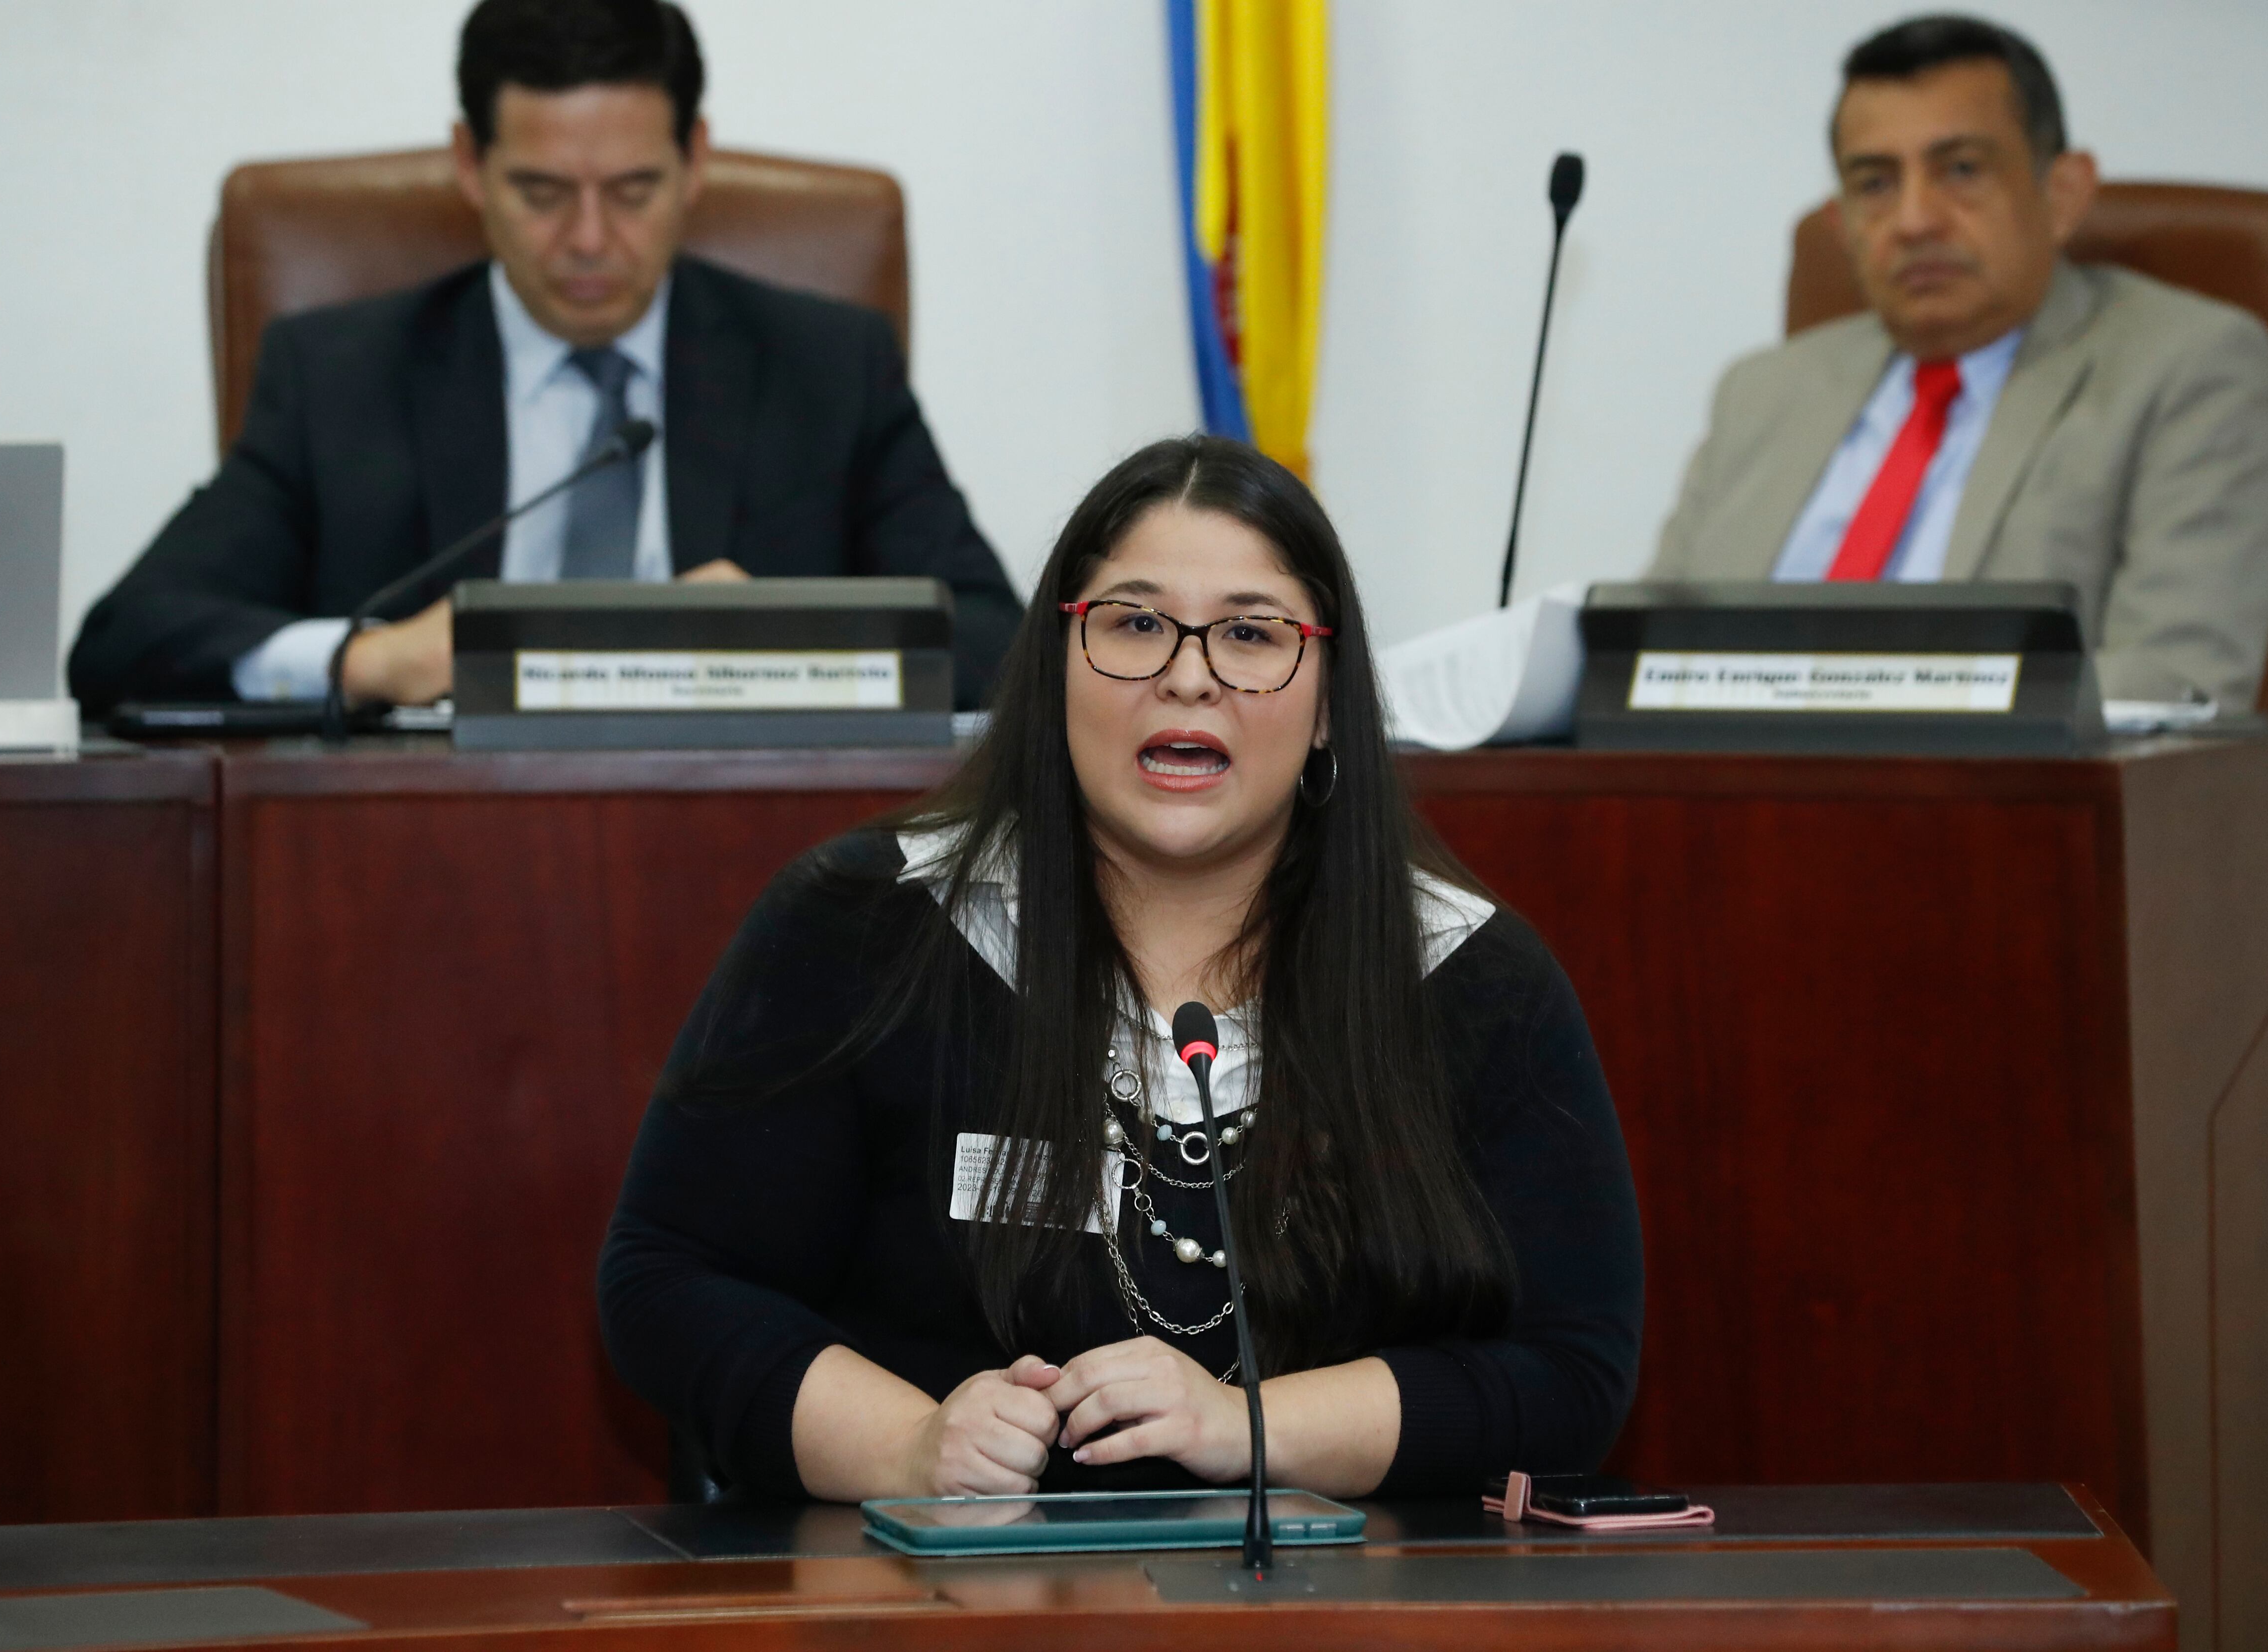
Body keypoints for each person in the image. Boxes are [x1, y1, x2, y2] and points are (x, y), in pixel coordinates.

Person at [598, 436, 1642, 1500]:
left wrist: (1246, 1427)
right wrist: (913, 1448)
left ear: (1329, 699)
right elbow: (670, 1282)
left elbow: (1570, 1370)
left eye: (1250, 633)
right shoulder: (869, 929)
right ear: (1056, 664)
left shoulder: (1468, 978)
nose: (1188, 676)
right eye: (1136, 623)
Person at [67, 0, 1020, 715]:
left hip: (754, 861)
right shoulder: (339, 379)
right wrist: (371, 661)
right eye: (542, 192)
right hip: (428, 870)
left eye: (635, 189)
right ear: (469, 166)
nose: (592, 239)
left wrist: (793, 644)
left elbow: (1000, 644)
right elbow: (126, 639)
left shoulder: (827, 368)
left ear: (695, 160)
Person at [1650, 14, 2268, 709]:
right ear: (1841, 223)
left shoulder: (2183, 368)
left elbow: (2180, 677)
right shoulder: (1763, 390)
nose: (1915, 220)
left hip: (1984, 808)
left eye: (1960, 170)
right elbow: (1637, 652)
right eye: (1874, 183)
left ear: (2064, 192)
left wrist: (1879, 702)